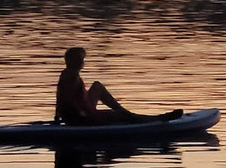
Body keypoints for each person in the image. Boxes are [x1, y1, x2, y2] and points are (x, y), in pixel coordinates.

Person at [54, 46, 182, 126]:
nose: (83, 62)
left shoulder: (69, 74)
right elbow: (64, 99)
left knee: (97, 86)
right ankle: (159, 119)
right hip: (82, 117)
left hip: (84, 110)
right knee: (121, 116)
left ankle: (124, 112)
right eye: (81, 59)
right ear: (75, 61)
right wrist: (66, 117)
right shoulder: (70, 77)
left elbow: (62, 98)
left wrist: (57, 116)